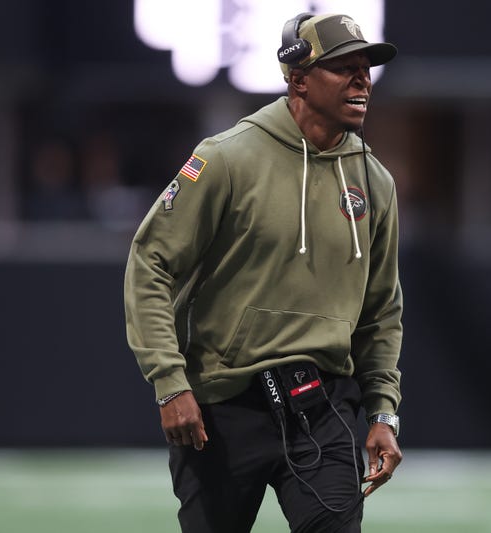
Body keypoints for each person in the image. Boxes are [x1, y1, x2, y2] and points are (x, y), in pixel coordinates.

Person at [124, 12, 403, 533]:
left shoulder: (375, 182)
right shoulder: (226, 159)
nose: (362, 79)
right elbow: (151, 263)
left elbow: (381, 310)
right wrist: (170, 383)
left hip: (324, 405)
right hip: (225, 406)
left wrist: (383, 412)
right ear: (298, 79)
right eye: (344, 67)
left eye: (365, 67)